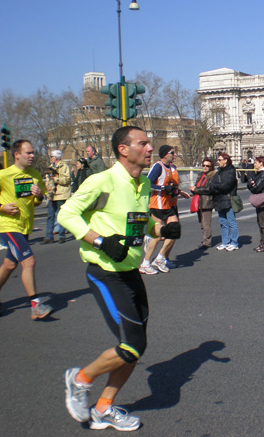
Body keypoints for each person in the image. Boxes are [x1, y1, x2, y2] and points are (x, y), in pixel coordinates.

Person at [58, 126, 180, 431]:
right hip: (106, 272)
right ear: (123, 149)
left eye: (149, 143)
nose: (150, 147)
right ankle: (79, 379)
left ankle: (103, 408)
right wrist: (99, 241)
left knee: (135, 347)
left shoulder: (141, 183)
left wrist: (161, 230)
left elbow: (137, 224)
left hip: (131, 271)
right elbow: (67, 214)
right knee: (131, 345)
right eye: (143, 143)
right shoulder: (103, 180)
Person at [0, 140, 53, 320]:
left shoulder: (35, 174)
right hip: (9, 226)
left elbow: (37, 201)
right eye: (28, 153)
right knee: (29, 262)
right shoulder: (4, 174)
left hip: (25, 225)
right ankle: (35, 304)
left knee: (10, 264)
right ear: (16, 155)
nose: (32, 156)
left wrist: (39, 195)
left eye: (33, 152)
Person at [140, 145, 189, 275]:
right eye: (172, 153)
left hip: (168, 205)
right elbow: (147, 183)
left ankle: (161, 258)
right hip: (157, 205)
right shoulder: (158, 166)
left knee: (175, 230)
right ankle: (145, 263)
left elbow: (170, 186)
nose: (174, 155)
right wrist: (162, 188)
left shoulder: (171, 168)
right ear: (164, 154)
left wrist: (178, 191)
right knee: (158, 235)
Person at [211, 153, 240, 251]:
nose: (217, 161)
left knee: (231, 222)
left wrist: (216, 187)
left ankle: (234, 242)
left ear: (225, 160)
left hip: (228, 200)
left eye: (219, 160)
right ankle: (225, 241)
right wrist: (217, 187)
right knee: (223, 222)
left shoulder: (231, 171)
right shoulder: (218, 172)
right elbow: (212, 185)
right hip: (219, 200)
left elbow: (226, 186)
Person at [42, 150, 71, 244]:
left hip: (61, 195)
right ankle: (49, 236)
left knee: (61, 215)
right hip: (52, 195)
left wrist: (56, 179)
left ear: (56, 157)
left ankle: (62, 235)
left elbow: (67, 180)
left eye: (51, 156)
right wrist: (48, 187)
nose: (50, 158)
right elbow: (47, 180)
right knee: (50, 216)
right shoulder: (50, 168)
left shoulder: (64, 166)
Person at [247, 155, 264, 252]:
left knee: (262, 222)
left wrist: (252, 184)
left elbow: (256, 188)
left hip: (263, 199)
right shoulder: (261, 173)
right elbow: (251, 184)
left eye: (256, 162)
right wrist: (251, 183)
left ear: (261, 163)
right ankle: (263, 242)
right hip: (262, 198)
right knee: (260, 221)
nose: (254, 164)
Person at [190, 158, 216, 249]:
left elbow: (209, 189)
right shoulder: (201, 174)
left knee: (206, 223)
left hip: (207, 202)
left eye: (207, 166)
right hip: (199, 201)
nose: (205, 167)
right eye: (203, 165)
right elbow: (197, 185)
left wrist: (196, 189)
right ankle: (205, 239)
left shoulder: (213, 175)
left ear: (211, 167)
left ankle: (207, 242)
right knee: (201, 223)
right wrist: (193, 189)